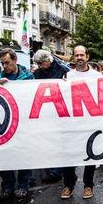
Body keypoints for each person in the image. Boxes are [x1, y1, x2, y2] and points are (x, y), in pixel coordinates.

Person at [60, 46, 101, 200]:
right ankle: (68, 185)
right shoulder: (67, 76)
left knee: (89, 153)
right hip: (71, 123)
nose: (79, 57)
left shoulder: (97, 75)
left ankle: (88, 185)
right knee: (69, 154)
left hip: (89, 123)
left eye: (81, 55)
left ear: (87, 57)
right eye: (76, 55)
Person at [0, 48, 34, 199]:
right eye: (2, 63)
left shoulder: (29, 77)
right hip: (5, 124)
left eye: (7, 63)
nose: (5, 66)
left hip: (23, 123)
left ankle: (23, 185)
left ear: (15, 60)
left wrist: (13, 84)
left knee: (24, 154)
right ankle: (7, 186)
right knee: (5, 156)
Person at [32, 49, 70, 185]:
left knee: (60, 141)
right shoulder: (38, 73)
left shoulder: (63, 70)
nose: (40, 66)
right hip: (46, 112)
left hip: (61, 111)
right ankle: (56, 170)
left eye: (41, 63)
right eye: (38, 63)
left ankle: (58, 171)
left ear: (48, 60)